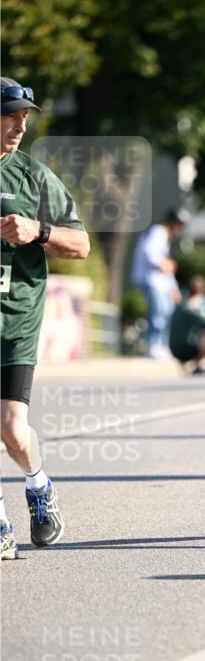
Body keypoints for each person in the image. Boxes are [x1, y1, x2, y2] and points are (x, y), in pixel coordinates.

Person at [0, 77, 90, 559]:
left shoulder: (33, 177)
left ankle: (39, 485)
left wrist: (38, 231)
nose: (20, 126)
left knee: (13, 429)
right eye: (10, 116)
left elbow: (81, 245)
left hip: (16, 319)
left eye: (24, 117)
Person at [131, 207, 186, 359]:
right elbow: (149, 252)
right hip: (151, 281)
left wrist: (173, 288)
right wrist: (162, 263)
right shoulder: (158, 232)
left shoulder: (165, 237)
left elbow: (167, 270)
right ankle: (153, 345)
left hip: (160, 284)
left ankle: (161, 344)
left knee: (166, 312)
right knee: (158, 314)